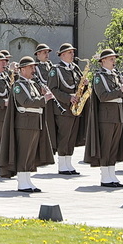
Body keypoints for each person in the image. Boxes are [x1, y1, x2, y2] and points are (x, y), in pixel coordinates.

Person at [0, 56, 56, 192]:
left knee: (30, 154)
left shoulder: (32, 84)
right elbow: (26, 102)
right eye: (31, 67)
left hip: (34, 122)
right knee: (24, 153)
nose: (33, 70)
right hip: (24, 123)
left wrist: (43, 96)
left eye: (34, 67)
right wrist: (44, 99)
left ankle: (27, 180)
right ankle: (22, 182)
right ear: (22, 70)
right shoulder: (18, 86)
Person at [83, 48, 123, 188]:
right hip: (106, 116)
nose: (114, 61)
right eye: (111, 59)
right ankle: (105, 176)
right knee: (106, 146)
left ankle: (112, 173)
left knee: (114, 147)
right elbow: (103, 96)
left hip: (117, 114)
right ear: (103, 61)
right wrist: (120, 90)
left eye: (114, 59)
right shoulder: (99, 76)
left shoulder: (115, 75)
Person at [46, 43, 85, 175]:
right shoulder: (55, 69)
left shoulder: (75, 68)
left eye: (73, 52)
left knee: (72, 137)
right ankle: (62, 164)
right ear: (62, 55)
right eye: (70, 52)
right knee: (64, 136)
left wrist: (84, 84)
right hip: (63, 109)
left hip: (75, 108)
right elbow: (53, 89)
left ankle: (69, 163)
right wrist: (68, 97)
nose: (72, 55)